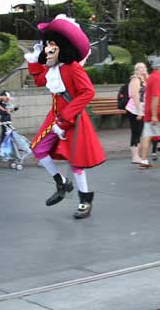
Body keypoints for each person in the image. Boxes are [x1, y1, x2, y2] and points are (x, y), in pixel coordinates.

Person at [24, 14, 105, 219]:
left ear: (63, 46)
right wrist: (34, 61)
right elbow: (40, 81)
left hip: (72, 118)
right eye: (47, 44)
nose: (48, 49)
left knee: (76, 162)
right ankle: (61, 182)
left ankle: (85, 201)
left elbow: (88, 92)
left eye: (53, 45)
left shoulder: (73, 68)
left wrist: (65, 119)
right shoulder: (53, 68)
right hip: (55, 116)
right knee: (38, 148)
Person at [125, 62, 147, 164]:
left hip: (141, 109)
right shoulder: (135, 80)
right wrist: (139, 111)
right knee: (136, 132)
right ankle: (135, 157)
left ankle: (138, 155)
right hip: (134, 109)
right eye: (140, 68)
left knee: (139, 131)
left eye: (144, 67)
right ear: (137, 70)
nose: (143, 69)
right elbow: (135, 96)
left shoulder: (144, 80)